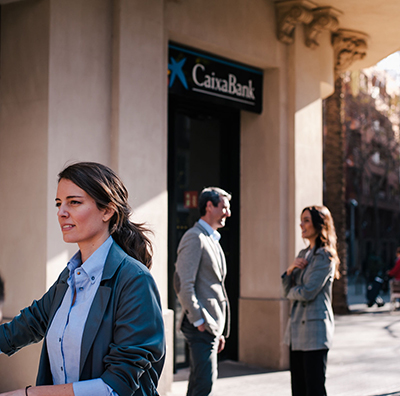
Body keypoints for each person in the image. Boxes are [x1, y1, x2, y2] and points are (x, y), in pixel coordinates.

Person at [0, 162, 165, 396]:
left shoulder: (134, 280)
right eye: (58, 203)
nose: (61, 212)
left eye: (74, 202)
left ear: (107, 211)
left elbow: (118, 384)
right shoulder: (69, 277)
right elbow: (25, 326)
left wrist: (29, 394)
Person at [174, 187, 231, 396]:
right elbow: (182, 284)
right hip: (200, 325)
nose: (228, 213)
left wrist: (218, 330)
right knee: (203, 383)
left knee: (200, 381)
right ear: (209, 206)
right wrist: (200, 322)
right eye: (224, 207)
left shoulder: (211, 239)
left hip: (210, 326)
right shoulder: (194, 238)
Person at [282, 205, 340, 396]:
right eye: (302, 220)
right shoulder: (302, 254)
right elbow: (286, 289)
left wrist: (292, 289)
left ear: (319, 224)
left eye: (306, 220)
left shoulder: (325, 256)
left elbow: (308, 292)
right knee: (298, 389)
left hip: (315, 332)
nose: (302, 225)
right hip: (297, 330)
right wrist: (290, 270)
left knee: (314, 389)